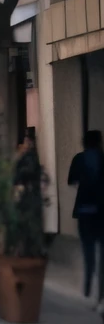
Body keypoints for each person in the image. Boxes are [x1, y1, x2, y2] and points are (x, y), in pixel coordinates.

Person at [67, 128, 104, 306]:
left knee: (88, 252)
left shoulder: (79, 159)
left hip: (84, 210)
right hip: (102, 211)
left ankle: (88, 288)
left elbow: (72, 181)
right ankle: (101, 294)